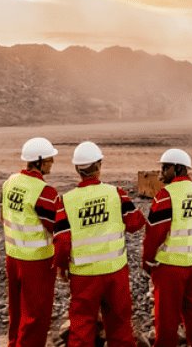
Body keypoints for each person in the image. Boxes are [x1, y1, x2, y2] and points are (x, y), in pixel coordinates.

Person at [54, 141, 146, 347]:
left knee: (82, 326)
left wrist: (62, 267)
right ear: (99, 165)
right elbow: (135, 223)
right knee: (120, 326)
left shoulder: (66, 201)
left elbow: (61, 241)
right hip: (115, 272)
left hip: (84, 276)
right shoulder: (116, 193)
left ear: (77, 169)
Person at [142, 148, 192, 347]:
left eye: (165, 167)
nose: (161, 172)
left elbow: (154, 233)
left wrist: (147, 261)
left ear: (178, 168)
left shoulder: (166, 196)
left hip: (170, 267)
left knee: (166, 318)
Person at [2, 136, 64, 347]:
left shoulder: (10, 182)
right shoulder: (45, 192)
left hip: (13, 257)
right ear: (38, 161)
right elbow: (57, 227)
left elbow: (3, 215)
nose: (52, 163)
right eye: (49, 159)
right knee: (36, 316)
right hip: (37, 262)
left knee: (17, 310)